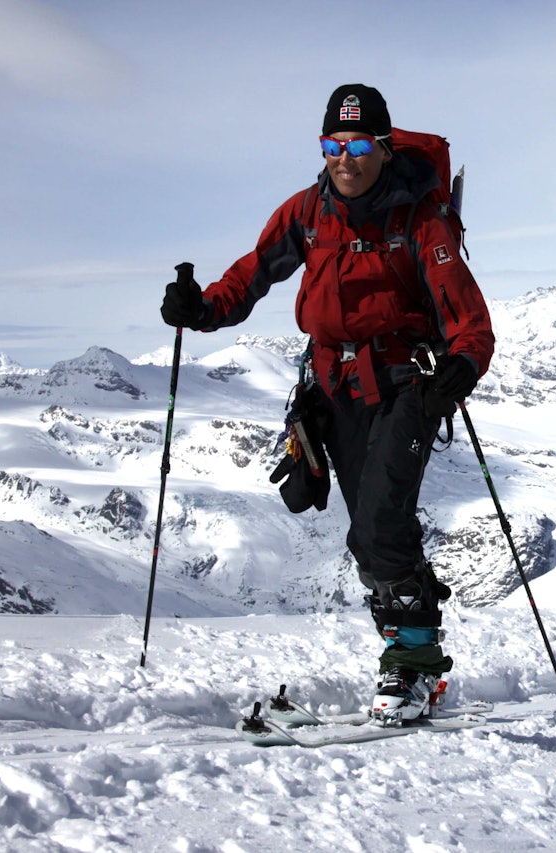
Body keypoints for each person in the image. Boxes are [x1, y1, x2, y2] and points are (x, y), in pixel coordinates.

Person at [160, 84, 495, 721]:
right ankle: (410, 650)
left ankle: (413, 665)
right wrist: (200, 309)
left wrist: (462, 363)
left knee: (380, 523)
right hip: (332, 390)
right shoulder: (308, 212)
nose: (345, 157)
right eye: (332, 144)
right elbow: (253, 273)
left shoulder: (420, 219)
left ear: (384, 146)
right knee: (368, 536)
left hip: (405, 388)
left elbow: (467, 314)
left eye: (359, 143)